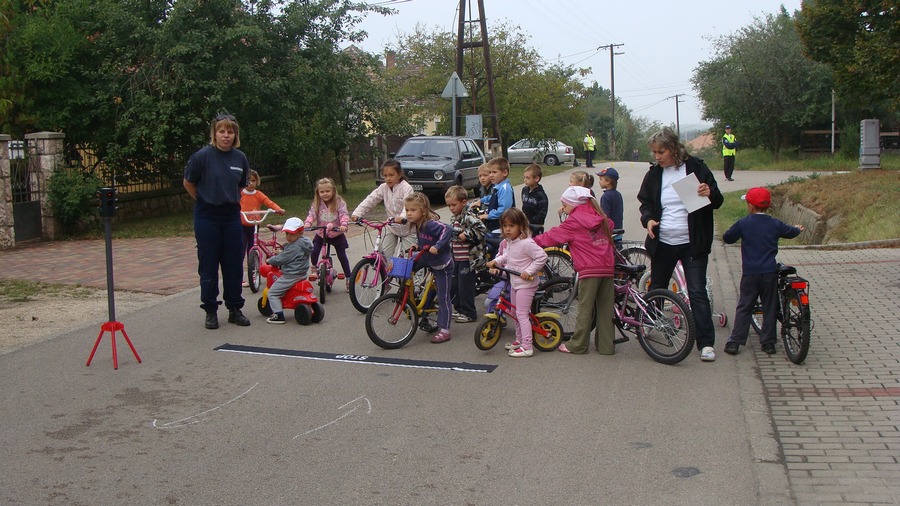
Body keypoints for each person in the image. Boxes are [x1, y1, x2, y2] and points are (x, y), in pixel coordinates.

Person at [637, 127, 724, 361]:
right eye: (654, 152)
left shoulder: (696, 168)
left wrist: (710, 193)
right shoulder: (655, 174)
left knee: (696, 292)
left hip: (692, 243)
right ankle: (651, 323)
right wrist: (649, 219)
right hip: (663, 242)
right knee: (657, 287)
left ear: (674, 149)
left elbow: (718, 200)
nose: (657, 156)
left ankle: (705, 343)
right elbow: (644, 203)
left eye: (661, 152)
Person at [183, 113, 252, 330]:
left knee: (233, 264)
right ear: (214, 133)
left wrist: (226, 200)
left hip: (231, 216)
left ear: (235, 135)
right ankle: (210, 310)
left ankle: (234, 308)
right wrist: (205, 200)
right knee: (209, 265)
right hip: (207, 217)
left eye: (230, 131)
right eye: (221, 131)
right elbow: (189, 183)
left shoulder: (239, 158)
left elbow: (240, 186)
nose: (226, 135)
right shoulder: (202, 156)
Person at [535, 186, 616, 355]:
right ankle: (606, 346)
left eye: (565, 205)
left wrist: (531, 242)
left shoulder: (574, 221)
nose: (563, 208)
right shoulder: (599, 216)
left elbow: (552, 236)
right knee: (605, 309)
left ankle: (578, 344)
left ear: (573, 204)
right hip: (607, 267)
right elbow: (611, 225)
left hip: (588, 269)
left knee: (585, 309)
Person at [722, 187, 804, 355]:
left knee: (745, 305)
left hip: (750, 273)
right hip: (769, 273)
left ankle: (735, 342)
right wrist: (797, 229)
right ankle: (768, 343)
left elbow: (728, 238)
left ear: (751, 206)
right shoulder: (775, 223)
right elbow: (790, 232)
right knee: (769, 306)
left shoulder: (744, 223)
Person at [487, 208, 547, 358]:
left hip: (526, 284)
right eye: (505, 226)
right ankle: (519, 340)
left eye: (511, 226)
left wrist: (529, 271)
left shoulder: (527, 243)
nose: (507, 229)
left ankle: (527, 346)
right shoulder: (511, 242)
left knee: (521, 314)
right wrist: (496, 261)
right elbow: (507, 255)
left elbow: (542, 257)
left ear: (520, 226)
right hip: (515, 282)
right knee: (514, 313)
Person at [404, 192, 454, 343]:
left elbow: (448, 230)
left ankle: (445, 329)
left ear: (423, 211)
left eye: (413, 210)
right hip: (427, 257)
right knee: (406, 263)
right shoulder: (418, 225)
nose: (409, 213)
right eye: (407, 210)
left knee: (443, 296)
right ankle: (407, 298)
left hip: (441, 263)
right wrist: (417, 245)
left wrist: (438, 246)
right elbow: (425, 240)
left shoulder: (430, 224)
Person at [350, 160, 415, 256]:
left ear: (399, 174)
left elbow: (408, 205)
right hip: (391, 227)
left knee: (409, 258)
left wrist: (402, 217)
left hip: (408, 228)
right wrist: (357, 213)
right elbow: (370, 200)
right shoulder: (383, 188)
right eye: (385, 176)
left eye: (391, 175)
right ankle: (385, 270)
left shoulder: (406, 188)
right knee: (385, 254)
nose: (388, 178)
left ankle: (414, 270)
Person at [445, 185, 487, 324]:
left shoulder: (469, 216)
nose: (451, 208)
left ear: (463, 202)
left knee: (465, 287)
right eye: (449, 205)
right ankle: (459, 309)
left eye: (453, 205)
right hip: (456, 257)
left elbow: (482, 230)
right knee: (455, 285)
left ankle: (470, 313)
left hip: (468, 259)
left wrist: (466, 234)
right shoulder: (455, 217)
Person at [304, 177, 351, 290]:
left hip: (336, 233)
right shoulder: (317, 203)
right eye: (322, 192)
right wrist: (308, 222)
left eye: (327, 191)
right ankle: (314, 267)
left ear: (333, 191)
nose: (325, 194)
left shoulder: (339, 202)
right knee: (314, 250)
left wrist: (344, 225)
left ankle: (349, 277)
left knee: (342, 255)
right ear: (318, 192)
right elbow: (312, 214)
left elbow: (344, 214)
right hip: (322, 232)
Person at [264, 217, 314, 324]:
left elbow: (283, 259)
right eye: (287, 234)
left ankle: (278, 315)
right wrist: (282, 252)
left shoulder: (294, 246)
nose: (289, 237)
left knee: (272, 293)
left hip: (291, 275)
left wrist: (271, 260)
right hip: (301, 273)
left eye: (292, 234)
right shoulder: (304, 243)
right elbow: (290, 255)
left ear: (300, 233)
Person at [240, 169, 285, 287]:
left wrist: (278, 209)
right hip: (242, 225)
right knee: (240, 251)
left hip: (254, 225)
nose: (250, 183)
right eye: (248, 181)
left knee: (252, 247)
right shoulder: (240, 193)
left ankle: (255, 273)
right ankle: (239, 278)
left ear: (257, 181)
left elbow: (268, 202)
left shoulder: (258, 194)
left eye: (253, 181)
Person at [472, 157, 515, 233]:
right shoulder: (498, 186)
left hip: (502, 226)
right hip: (494, 225)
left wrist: (488, 215)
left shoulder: (505, 188)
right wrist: (481, 201)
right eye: (490, 172)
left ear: (505, 173)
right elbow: (492, 198)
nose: (491, 175)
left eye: (494, 172)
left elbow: (504, 210)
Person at [596, 167, 624, 245]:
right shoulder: (618, 194)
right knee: (617, 250)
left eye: (601, 179)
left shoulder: (606, 196)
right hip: (618, 228)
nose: (599, 182)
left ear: (608, 181)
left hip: (610, 231)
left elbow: (605, 215)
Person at [521, 163, 548, 236]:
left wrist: (529, 221)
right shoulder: (524, 190)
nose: (525, 180)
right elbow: (524, 205)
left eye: (527, 178)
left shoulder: (541, 195)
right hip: (524, 226)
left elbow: (542, 214)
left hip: (536, 227)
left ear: (536, 178)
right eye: (524, 177)